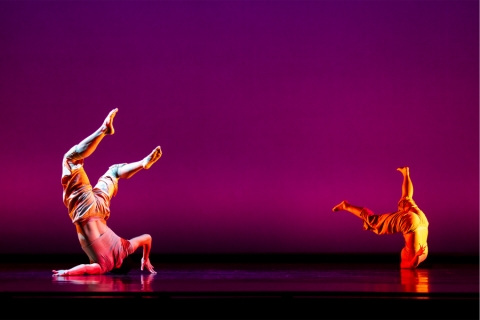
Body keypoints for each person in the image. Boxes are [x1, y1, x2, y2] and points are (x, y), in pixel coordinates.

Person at [52, 109, 161, 276]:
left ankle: (142, 163)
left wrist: (145, 258)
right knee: (70, 159)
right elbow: (85, 268)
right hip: (85, 211)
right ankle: (103, 130)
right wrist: (65, 272)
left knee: (115, 172)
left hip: (101, 209)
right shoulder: (104, 266)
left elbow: (147, 238)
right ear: (117, 267)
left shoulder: (126, 247)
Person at [332, 167, 429, 269]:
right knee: (375, 223)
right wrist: (416, 256)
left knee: (407, 198)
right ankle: (346, 206)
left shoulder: (424, 254)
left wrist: (419, 255)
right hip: (409, 223)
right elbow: (409, 265)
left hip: (423, 221)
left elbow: (415, 261)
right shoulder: (412, 258)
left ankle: (406, 173)